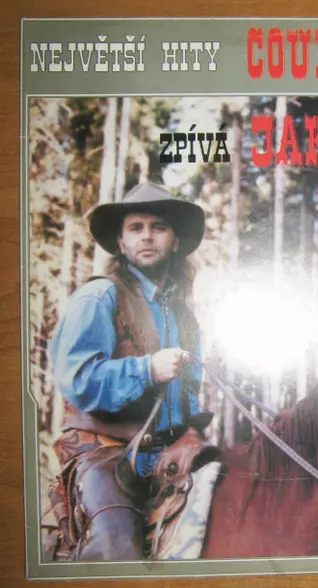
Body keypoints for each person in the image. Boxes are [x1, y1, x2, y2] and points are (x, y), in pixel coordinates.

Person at [47, 182, 215, 561]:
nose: (147, 236)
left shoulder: (185, 318)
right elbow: (78, 382)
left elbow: (189, 394)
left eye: (158, 227)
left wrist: (191, 431)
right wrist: (147, 369)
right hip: (103, 451)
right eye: (136, 228)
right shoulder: (99, 296)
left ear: (175, 241)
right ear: (121, 243)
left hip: (171, 455)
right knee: (117, 542)